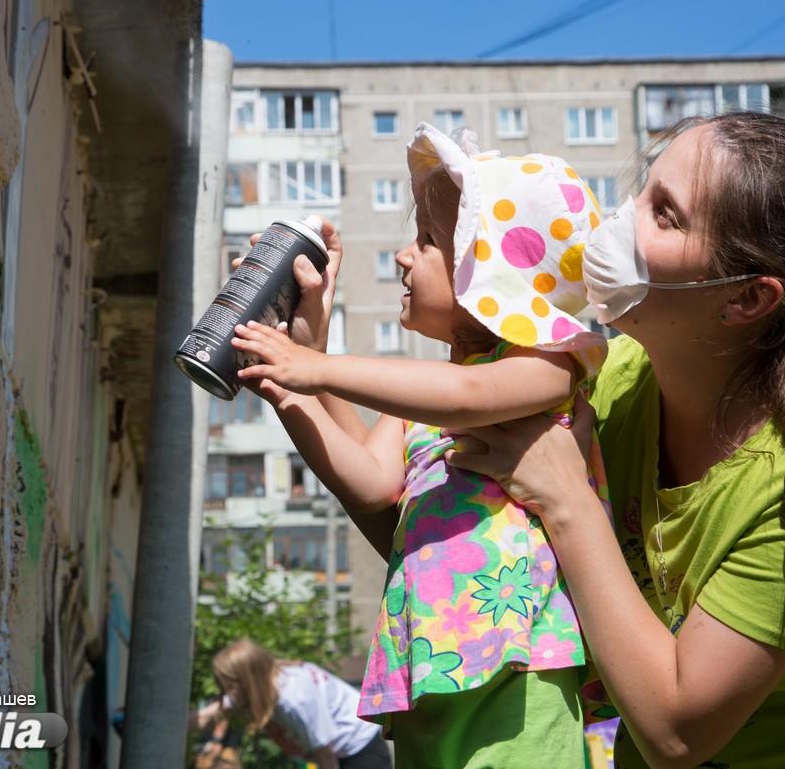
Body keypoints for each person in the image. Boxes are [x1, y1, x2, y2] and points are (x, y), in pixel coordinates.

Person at [443, 110, 785, 768]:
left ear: (746, 299)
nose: (619, 220)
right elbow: (452, 544)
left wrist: (568, 501)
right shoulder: (618, 381)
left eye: (664, 214)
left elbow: (675, 733)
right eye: (643, 190)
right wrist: (300, 383)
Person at [231, 122, 609, 767]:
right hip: (429, 658)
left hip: (519, 664)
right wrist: (290, 388)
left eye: (428, 242)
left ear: (493, 276)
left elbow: (466, 399)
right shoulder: (431, 400)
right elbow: (372, 482)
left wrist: (315, 366)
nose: (406, 257)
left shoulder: (549, 367)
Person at [193, 638, 391, 769]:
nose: (227, 694)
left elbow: (326, 757)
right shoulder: (266, 683)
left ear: (247, 681)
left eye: (229, 686)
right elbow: (208, 715)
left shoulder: (294, 700)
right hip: (337, 751)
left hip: (359, 748)